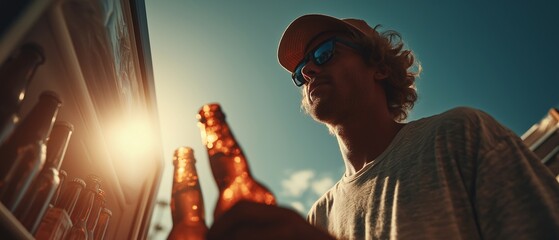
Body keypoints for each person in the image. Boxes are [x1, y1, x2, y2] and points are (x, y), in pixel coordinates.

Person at [206, 14, 559, 240]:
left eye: (324, 53)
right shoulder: (318, 216)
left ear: (379, 68)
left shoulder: (458, 135)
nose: (309, 71)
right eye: (301, 74)